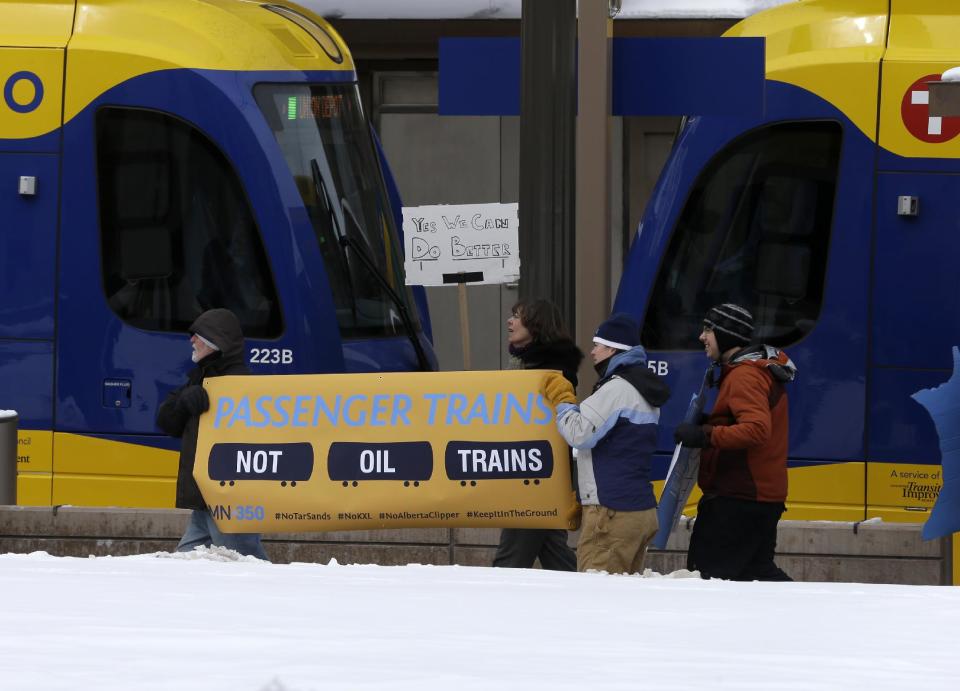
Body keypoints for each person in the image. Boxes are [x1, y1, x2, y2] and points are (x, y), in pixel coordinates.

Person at [673, 303, 795, 581]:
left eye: (709, 330)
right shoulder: (753, 371)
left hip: (739, 498)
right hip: (757, 496)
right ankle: (801, 614)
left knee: (711, 577)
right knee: (756, 573)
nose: (702, 336)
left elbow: (756, 430)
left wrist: (706, 435)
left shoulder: (745, 375)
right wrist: (712, 422)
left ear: (726, 334)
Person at [549, 312, 670, 575]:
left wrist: (564, 404)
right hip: (639, 511)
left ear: (614, 349)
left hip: (611, 513)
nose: (592, 352)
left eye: (597, 345)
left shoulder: (616, 389)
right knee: (623, 601)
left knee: (598, 598)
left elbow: (580, 434)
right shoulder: (642, 390)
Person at [156, 308, 270, 560]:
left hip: (229, 499)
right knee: (187, 560)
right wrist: (183, 402)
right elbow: (166, 422)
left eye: (198, 335)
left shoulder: (240, 386)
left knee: (245, 562)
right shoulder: (198, 379)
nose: (192, 341)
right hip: (206, 497)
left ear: (217, 341)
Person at [493, 298, 584, 571]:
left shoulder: (550, 372)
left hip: (533, 472)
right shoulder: (525, 366)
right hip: (530, 468)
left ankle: (494, 602)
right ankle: (581, 596)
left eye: (518, 316)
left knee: (510, 559)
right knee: (553, 551)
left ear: (537, 325)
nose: (510, 321)